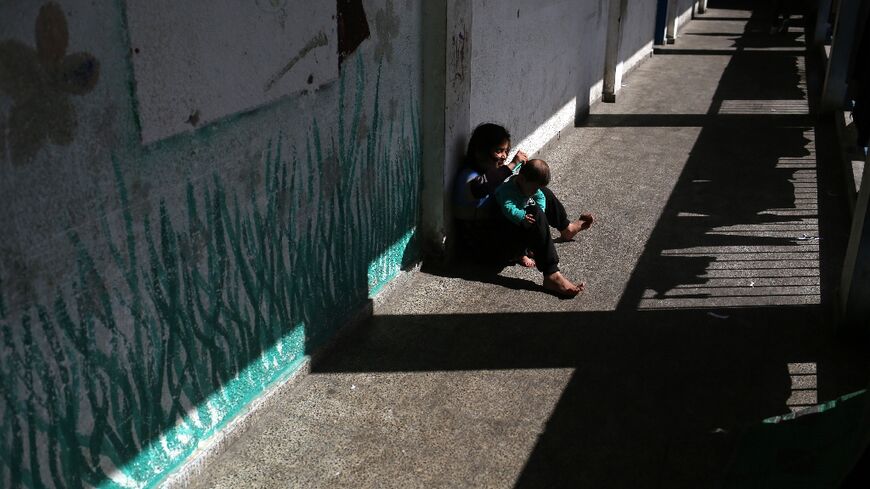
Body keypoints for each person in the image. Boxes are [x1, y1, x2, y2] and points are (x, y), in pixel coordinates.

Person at [452, 123, 593, 297]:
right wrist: (511, 165)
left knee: (540, 191)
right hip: (484, 249)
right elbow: (480, 188)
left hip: (499, 236)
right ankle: (552, 274)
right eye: (498, 151)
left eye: (506, 151)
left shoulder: (491, 171)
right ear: (480, 150)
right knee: (533, 211)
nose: (504, 156)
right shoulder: (468, 177)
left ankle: (566, 228)